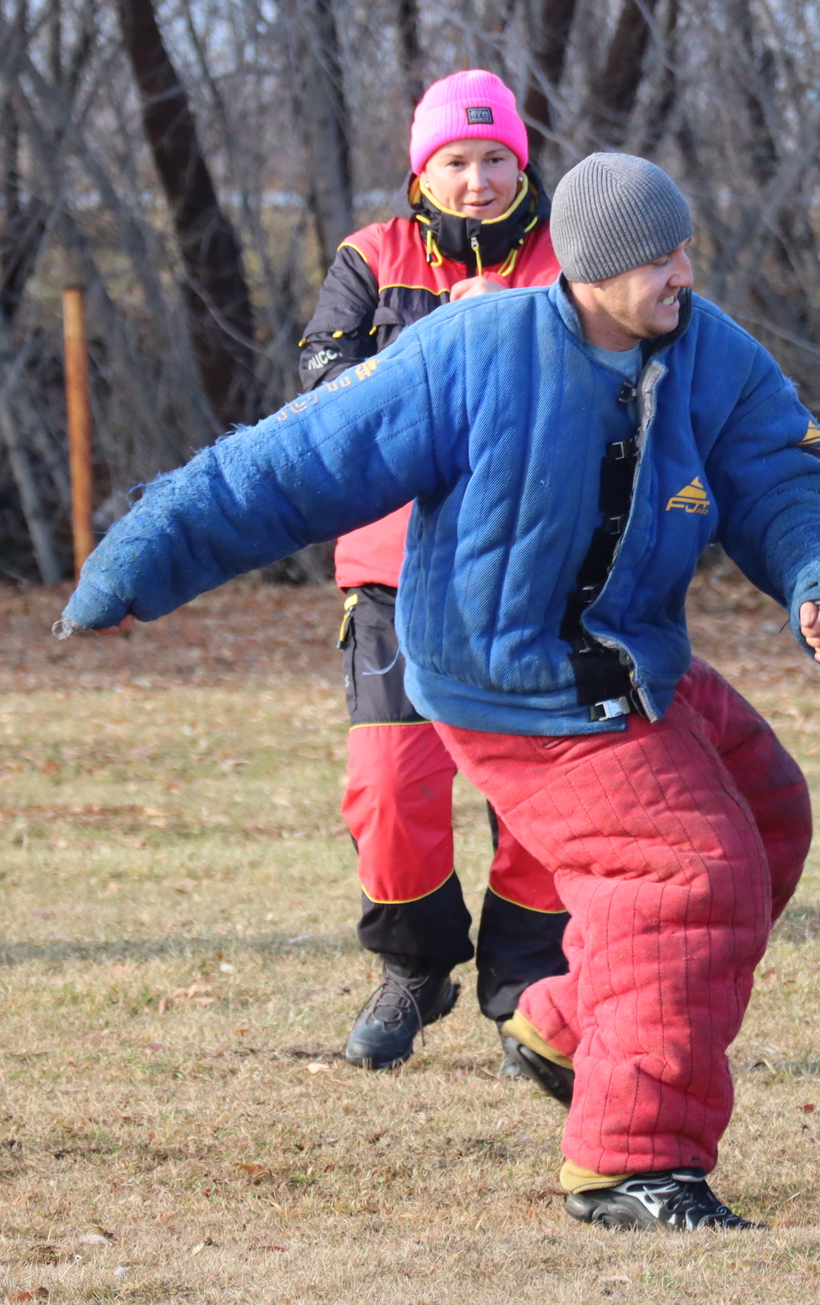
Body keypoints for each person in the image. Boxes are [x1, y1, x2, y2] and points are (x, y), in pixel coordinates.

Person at [58, 153, 820, 1231]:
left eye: (684, 250)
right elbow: (288, 463)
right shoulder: (473, 351)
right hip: (508, 681)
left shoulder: (708, 354)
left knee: (764, 813)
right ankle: (631, 1162)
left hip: (632, 661)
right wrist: (138, 558)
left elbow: (788, 479)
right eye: (657, 259)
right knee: (688, 876)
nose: (681, 275)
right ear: (595, 268)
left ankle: (561, 1025)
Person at [295, 70, 568, 1073]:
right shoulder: (371, 257)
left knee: (537, 792)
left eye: (494, 158)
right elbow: (324, 386)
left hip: (536, 570)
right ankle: (413, 970)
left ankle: (528, 987)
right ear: (422, 169)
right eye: (455, 160)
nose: (477, 179)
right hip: (391, 570)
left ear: (521, 160)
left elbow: (618, 373)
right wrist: (446, 337)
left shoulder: (568, 253)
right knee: (387, 785)